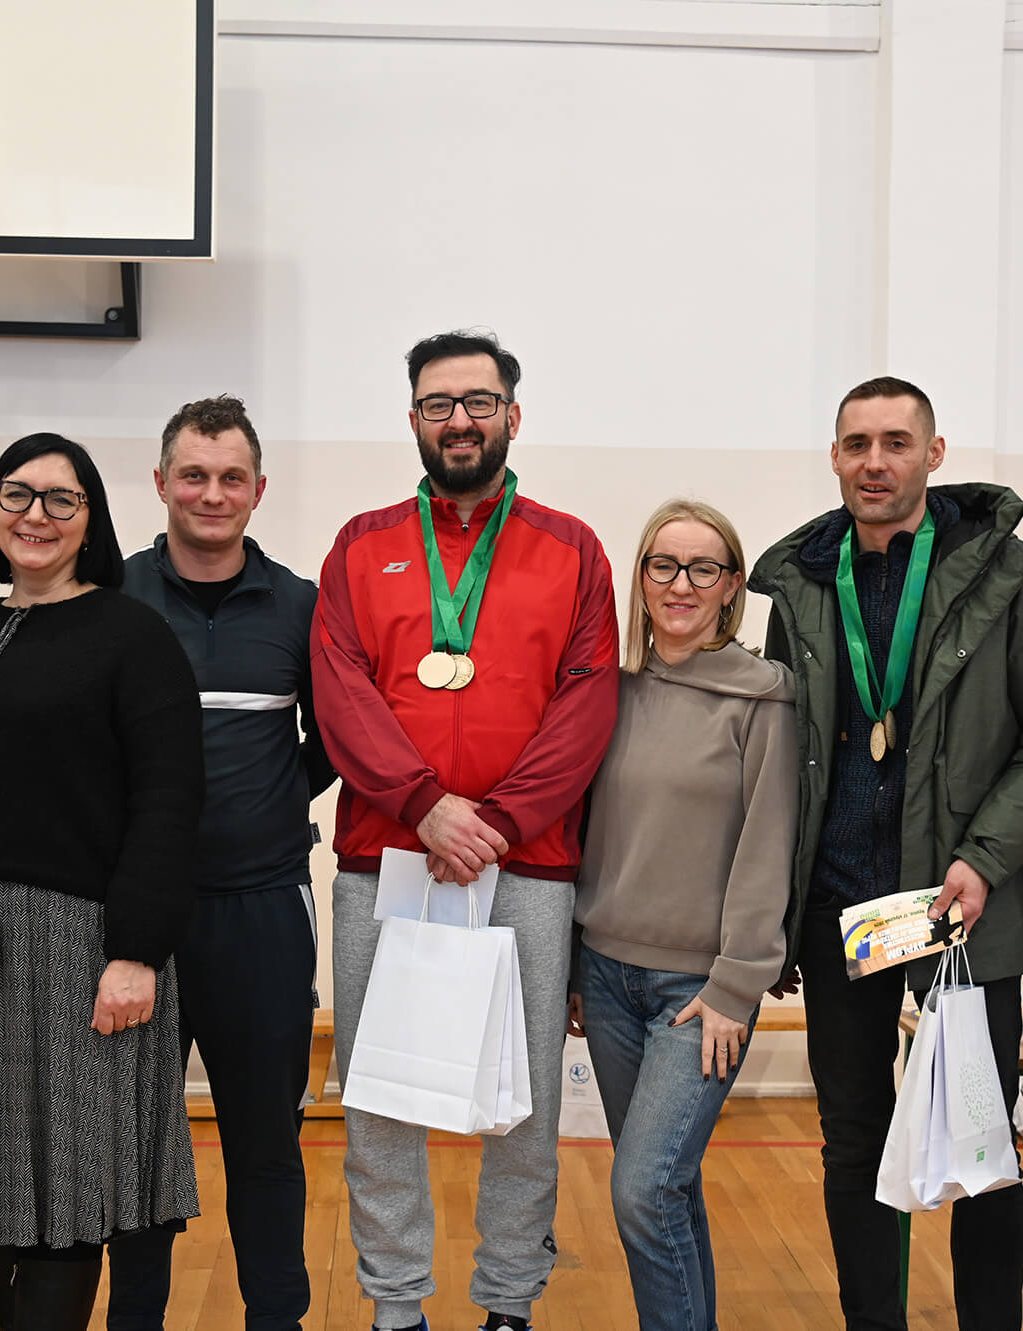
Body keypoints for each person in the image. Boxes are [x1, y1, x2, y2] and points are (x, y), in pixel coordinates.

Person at [750, 376, 1023, 1331]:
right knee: (852, 1140)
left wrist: (983, 857)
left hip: (961, 908)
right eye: (857, 443)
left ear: (933, 454)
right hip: (842, 909)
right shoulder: (803, 581)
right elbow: (789, 749)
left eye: (896, 442)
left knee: (982, 1144)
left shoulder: (1010, 573)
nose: (875, 462)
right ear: (834, 456)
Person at [312, 329, 620, 1331]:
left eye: (478, 402)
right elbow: (340, 692)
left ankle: (507, 1303)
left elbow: (587, 701)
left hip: (525, 864)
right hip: (388, 859)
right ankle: (396, 1304)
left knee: (522, 1100)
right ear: (412, 418)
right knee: (380, 1097)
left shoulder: (572, 548)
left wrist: (499, 820)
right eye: (438, 403)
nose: (459, 420)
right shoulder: (360, 544)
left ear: (511, 416)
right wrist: (426, 806)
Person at [0, 433, 205, 1330]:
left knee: (66, 1183)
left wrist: (136, 951)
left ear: (90, 519)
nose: (36, 514)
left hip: (80, 945)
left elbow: (169, 801)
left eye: (61, 499)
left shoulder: (133, 635)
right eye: (17, 494)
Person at [109, 395, 336, 1330]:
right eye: (194, 475)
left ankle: (276, 1317)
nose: (212, 493)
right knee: (135, 1148)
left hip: (262, 912)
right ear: (161, 482)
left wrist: (270, 801)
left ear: (258, 489)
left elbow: (334, 739)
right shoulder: (110, 595)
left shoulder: (301, 605)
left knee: (266, 1145)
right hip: (132, 921)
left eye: (230, 477)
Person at [569, 498, 798, 1331]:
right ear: (641, 577)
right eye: (663, 564)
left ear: (731, 585)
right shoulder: (612, 689)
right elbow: (588, 830)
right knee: (669, 1186)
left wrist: (737, 985)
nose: (681, 584)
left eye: (704, 568)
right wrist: (574, 964)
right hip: (606, 975)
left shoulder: (765, 697)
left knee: (642, 1188)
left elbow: (768, 846)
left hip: (698, 993)